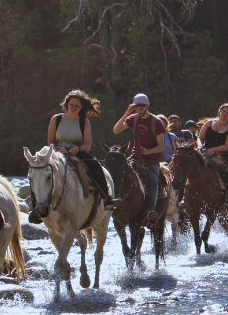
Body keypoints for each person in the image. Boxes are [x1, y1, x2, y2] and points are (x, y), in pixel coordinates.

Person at [45, 89, 118, 208]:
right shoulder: (56, 119)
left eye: (77, 106)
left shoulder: (84, 122)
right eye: (71, 105)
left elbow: (87, 145)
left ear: (81, 107)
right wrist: (57, 150)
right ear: (66, 105)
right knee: (39, 166)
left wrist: (76, 149)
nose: (73, 107)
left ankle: (107, 198)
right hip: (57, 152)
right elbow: (50, 141)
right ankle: (36, 203)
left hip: (77, 152)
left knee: (95, 166)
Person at [112, 93, 166, 225]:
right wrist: (127, 112)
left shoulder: (157, 122)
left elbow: (161, 147)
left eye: (142, 107)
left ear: (147, 106)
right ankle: (115, 206)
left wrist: (148, 151)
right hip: (135, 157)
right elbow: (116, 130)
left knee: (153, 180)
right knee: (119, 174)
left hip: (152, 159)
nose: (139, 109)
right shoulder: (133, 118)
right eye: (137, 107)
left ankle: (151, 212)